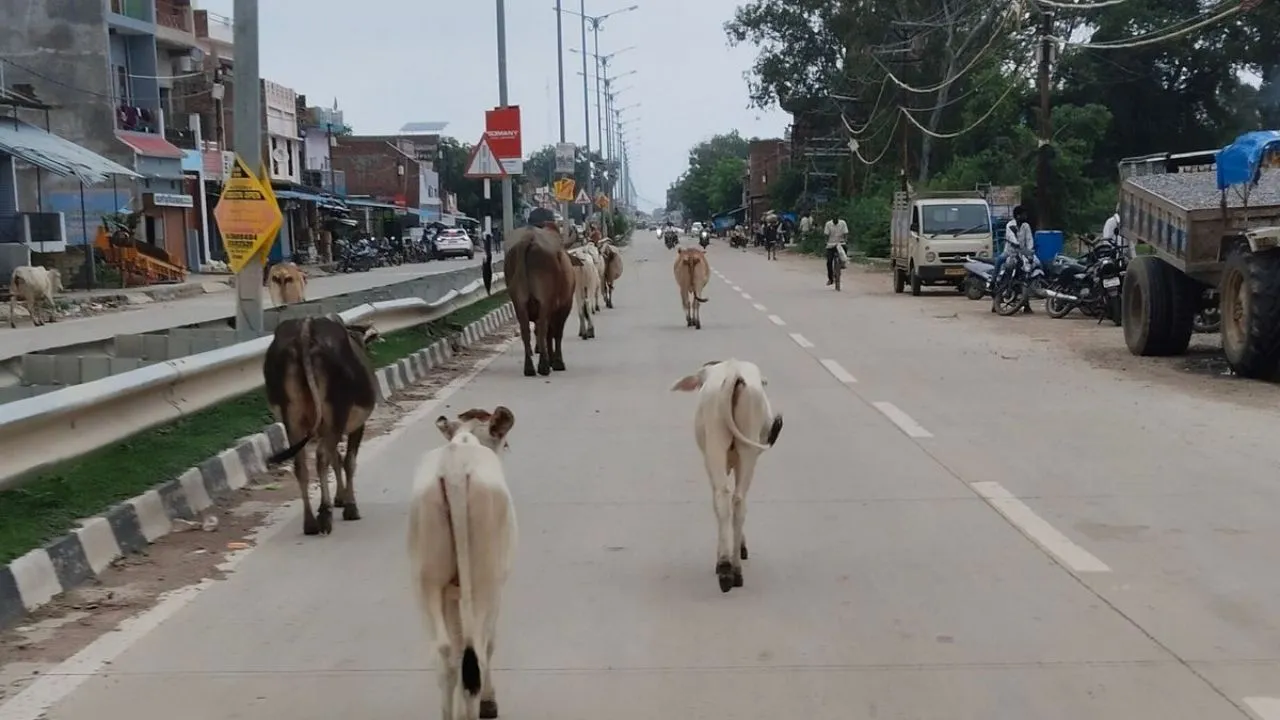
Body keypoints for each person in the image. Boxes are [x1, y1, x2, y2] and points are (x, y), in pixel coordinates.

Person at [992, 205, 1035, 314]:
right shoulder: (1010, 225)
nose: (1026, 216)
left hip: (1023, 254)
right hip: (1010, 253)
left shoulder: (1026, 226)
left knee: (1026, 276)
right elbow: (1011, 237)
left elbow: (1029, 240)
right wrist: (1016, 244)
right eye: (1024, 214)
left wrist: (1029, 252)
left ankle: (1026, 305)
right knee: (1000, 262)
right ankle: (993, 280)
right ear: (1018, 215)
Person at [823, 215, 849, 285]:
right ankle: (830, 279)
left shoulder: (843, 223)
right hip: (831, 244)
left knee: (845, 249)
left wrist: (845, 240)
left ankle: (842, 263)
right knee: (829, 261)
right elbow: (826, 235)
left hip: (841, 243)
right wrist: (826, 242)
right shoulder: (828, 224)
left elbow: (846, 233)